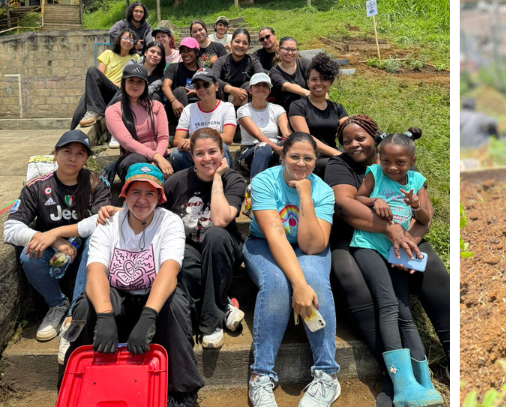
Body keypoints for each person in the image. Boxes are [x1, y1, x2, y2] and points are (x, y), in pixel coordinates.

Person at [324, 115, 450, 406]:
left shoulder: (401, 161)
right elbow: (345, 206)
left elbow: (424, 216)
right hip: (358, 238)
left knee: (432, 271)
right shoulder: (340, 165)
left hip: (403, 239)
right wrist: (389, 229)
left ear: (375, 139)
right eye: (346, 140)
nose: (354, 144)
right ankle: (393, 374)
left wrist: (407, 245)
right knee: (358, 286)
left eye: (360, 138)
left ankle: (453, 356)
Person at [60, 163, 205, 407]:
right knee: (85, 307)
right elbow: (95, 271)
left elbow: (169, 270)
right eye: (136, 191)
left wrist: (149, 315)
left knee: (176, 304)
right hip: (117, 294)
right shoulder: (108, 223)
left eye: (150, 193)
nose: (142, 200)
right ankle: (80, 381)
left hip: (153, 295)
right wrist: (105, 316)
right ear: (124, 194)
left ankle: (182, 391)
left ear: (160, 197)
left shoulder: (169, 222)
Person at [242, 132, 341, 407]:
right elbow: (274, 235)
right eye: (294, 156)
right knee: (276, 282)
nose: (301, 163)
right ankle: (260, 376)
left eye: (308, 158)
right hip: (264, 244)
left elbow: (312, 246)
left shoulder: (323, 190)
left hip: (307, 246)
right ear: (283, 156)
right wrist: (297, 284)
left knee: (316, 282)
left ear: (316, 160)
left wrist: (305, 195)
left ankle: (327, 376)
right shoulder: (264, 181)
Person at [350, 129, 443, 407]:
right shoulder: (374, 174)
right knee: (388, 304)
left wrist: (415, 204)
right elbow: (356, 199)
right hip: (368, 245)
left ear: (411, 161)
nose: (392, 167)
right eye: (387, 161)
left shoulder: (417, 181)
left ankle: (421, 380)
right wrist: (375, 200)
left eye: (400, 163)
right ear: (379, 158)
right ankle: (402, 385)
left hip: (398, 251)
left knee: (404, 311)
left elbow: (426, 217)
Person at [3, 131, 110, 347]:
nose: (73, 158)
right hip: (54, 258)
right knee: (30, 252)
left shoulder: (98, 183)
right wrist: (51, 239)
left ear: (86, 158)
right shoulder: (37, 186)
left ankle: (75, 315)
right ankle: (57, 305)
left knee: (97, 237)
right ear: (55, 153)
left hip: (88, 260)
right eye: (67, 151)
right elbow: (10, 228)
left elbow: (100, 222)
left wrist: (56, 232)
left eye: (80, 153)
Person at [163, 129, 246, 349]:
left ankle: (211, 323)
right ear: (191, 157)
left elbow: (219, 221)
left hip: (223, 247)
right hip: (190, 247)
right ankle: (223, 303)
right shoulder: (176, 182)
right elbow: (156, 216)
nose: (207, 158)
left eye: (213, 152)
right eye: (200, 153)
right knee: (182, 257)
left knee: (215, 234)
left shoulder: (233, 180)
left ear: (223, 153)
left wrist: (217, 178)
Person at [104, 64, 172, 182]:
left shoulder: (157, 106)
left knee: (182, 159)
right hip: (133, 158)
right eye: (131, 80)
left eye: (140, 82)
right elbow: (127, 142)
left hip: (161, 155)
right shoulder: (113, 110)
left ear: (145, 85)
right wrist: (155, 157)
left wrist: (158, 158)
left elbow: (163, 138)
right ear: (124, 82)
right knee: (136, 162)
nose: (135, 85)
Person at [288, 53, 348, 174]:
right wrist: (337, 154)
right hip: (309, 157)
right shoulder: (298, 106)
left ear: (330, 82)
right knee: (339, 164)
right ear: (308, 82)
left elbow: (348, 132)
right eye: (314, 79)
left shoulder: (337, 108)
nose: (319, 83)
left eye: (324, 79)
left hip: (333, 154)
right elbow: (307, 139)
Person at [170, 69, 236, 171]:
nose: (201, 89)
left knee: (223, 147)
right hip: (196, 154)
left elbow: (228, 137)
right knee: (176, 153)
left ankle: (223, 182)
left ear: (217, 86)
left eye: (206, 84)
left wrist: (193, 140)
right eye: (197, 86)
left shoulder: (226, 107)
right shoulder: (189, 109)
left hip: (214, 153)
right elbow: (177, 140)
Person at [72, 30, 139, 129]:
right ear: (119, 39)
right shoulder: (108, 53)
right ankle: (71, 136)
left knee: (87, 91)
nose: (128, 41)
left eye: (131, 39)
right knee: (79, 110)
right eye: (125, 38)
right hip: (104, 88)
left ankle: (96, 111)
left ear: (134, 43)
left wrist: (119, 85)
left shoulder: (135, 57)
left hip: (117, 92)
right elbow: (99, 75)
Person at [237, 73, 291, 180]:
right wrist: (276, 149)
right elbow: (257, 134)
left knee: (288, 143)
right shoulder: (243, 110)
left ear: (269, 91)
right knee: (264, 147)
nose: (261, 88)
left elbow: (286, 133)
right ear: (250, 90)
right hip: (249, 155)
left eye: (265, 85)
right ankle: (255, 185)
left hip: (274, 152)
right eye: (257, 85)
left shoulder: (278, 109)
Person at [211, 28, 265, 108]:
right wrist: (229, 89)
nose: (240, 45)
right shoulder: (221, 61)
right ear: (231, 43)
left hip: (248, 102)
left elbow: (261, 78)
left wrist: (242, 93)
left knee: (249, 84)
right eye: (237, 41)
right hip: (224, 101)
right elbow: (213, 78)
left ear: (248, 46)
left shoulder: (253, 62)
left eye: (245, 43)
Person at [162, 38, 202, 134]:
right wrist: (173, 100)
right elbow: (165, 86)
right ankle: (183, 130)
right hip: (177, 109)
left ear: (196, 52)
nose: (186, 54)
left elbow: (213, 89)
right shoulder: (173, 67)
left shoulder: (202, 71)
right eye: (183, 51)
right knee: (179, 91)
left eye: (189, 50)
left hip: (197, 108)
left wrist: (196, 92)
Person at [268, 36, 312, 113]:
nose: (290, 52)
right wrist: (309, 94)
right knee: (293, 96)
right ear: (278, 50)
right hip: (286, 109)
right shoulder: (274, 72)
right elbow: (287, 86)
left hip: (308, 105)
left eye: (293, 49)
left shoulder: (304, 63)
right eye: (287, 49)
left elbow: (314, 79)